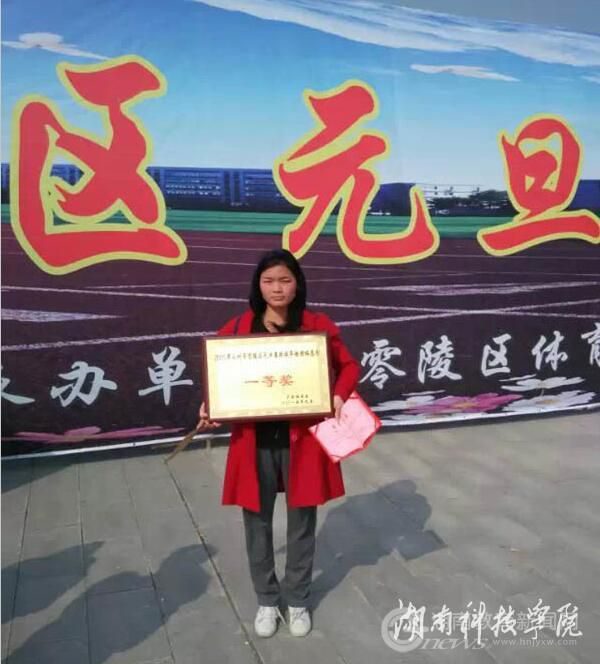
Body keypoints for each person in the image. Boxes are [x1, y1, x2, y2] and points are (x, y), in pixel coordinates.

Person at [197, 248, 360, 638]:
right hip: (254, 444)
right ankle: (267, 601)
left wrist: (338, 395)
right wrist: (211, 404)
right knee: (257, 524)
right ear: (258, 285)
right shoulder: (238, 328)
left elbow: (350, 366)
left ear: (297, 284)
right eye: (268, 281)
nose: (277, 288)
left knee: (302, 523)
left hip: (302, 442)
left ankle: (298, 599)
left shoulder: (316, 325)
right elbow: (219, 376)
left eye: (285, 280)